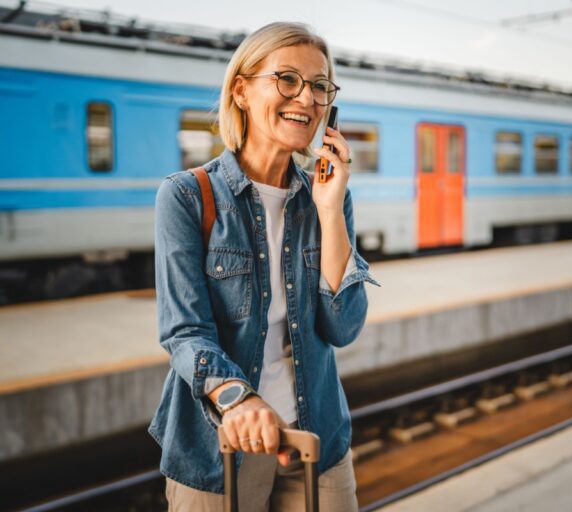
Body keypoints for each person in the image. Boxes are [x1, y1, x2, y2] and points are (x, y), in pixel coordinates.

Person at [148, 21, 377, 511]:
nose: (306, 98)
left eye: (319, 86)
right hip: (221, 443)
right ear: (242, 91)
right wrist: (239, 398)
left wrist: (331, 208)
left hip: (317, 438)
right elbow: (184, 332)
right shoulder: (188, 196)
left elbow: (344, 326)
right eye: (287, 79)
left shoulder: (328, 197)